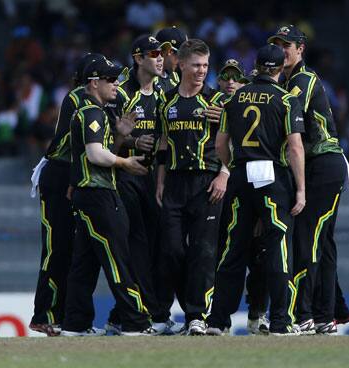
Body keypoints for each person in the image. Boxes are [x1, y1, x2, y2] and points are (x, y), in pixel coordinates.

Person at [205, 44, 306, 336]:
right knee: (277, 245)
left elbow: (221, 144)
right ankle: (280, 321)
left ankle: (217, 320)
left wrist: (233, 166)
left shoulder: (233, 100)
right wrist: (301, 190)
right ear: (277, 69)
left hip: (240, 174)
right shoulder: (286, 100)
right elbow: (296, 147)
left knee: (233, 247)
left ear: (258, 67)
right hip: (271, 176)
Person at [62, 58, 155, 336]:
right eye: (110, 80)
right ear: (94, 83)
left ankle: (75, 325)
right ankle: (134, 322)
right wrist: (126, 163)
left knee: (84, 262)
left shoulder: (92, 112)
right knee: (118, 258)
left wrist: (121, 135)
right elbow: (95, 155)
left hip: (87, 194)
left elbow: (97, 152)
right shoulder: (92, 113)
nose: (116, 84)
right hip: (98, 195)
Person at [269, 24, 349, 335]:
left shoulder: (301, 81)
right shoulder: (292, 80)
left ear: (300, 48)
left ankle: (304, 313)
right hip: (320, 164)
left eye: (286, 45)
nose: (281, 51)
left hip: (323, 164)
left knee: (309, 239)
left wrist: (252, 93)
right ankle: (326, 313)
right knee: (323, 243)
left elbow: (281, 118)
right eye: (276, 46)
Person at [104, 35, 183, 335]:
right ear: (138, 59)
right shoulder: (121, 93)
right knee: (137, 246)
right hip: (127, 177)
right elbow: (107, 145)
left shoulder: (165, 90)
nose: (161, 58)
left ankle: (125, 315)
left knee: (160, 248)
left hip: (157, 177)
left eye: (163, 52)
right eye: (154, 53)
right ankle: (150, 314)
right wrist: (129, 138)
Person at [29, 52, 104, 337]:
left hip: (73, 175)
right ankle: (44, 314)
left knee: (74, 251)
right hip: (60, 175)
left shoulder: (88, 99)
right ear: (91, 80)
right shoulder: (78, 98)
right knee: (56, 248)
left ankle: (70, 319)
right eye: (107, 78)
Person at [155, 39, 226, 335]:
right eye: (196, 65)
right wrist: (159, 181)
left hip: (206, 183)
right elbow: (161, 144)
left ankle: (196, 316)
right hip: (173, 182)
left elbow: (231, 143)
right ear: (181, 65)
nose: (201, 71)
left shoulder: (217, 101)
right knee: (171, 251)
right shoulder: (167, 101)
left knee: (204, 251)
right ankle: (187, 308)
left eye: (206, 65)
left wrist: (224, 173)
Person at [216, 59, 270, 335]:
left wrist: (227, 170)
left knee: (258, 256)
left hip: (244, 184)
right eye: (224, 76)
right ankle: (218, 317)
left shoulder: (248, 107)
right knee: (225, 255)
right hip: (216, 192)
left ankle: (257, 312)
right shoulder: (211, 105)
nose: (229, 81)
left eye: (235, 77)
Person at [155, 26, 188, 93]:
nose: (181, 61)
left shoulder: (175, 79)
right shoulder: (145, 77)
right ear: (169, 51)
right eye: (180, 56)